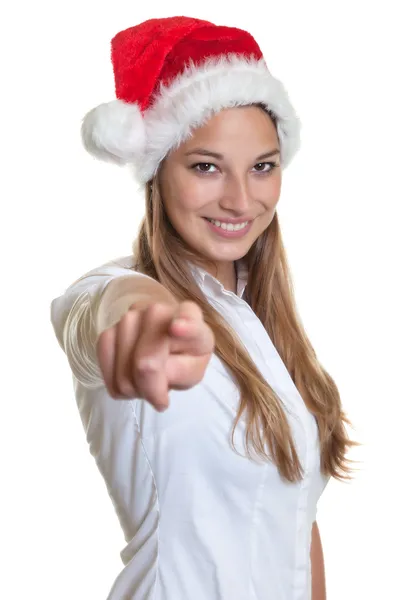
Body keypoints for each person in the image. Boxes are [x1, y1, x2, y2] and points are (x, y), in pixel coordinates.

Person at [50, 15, 357, 600]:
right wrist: (142, 316)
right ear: (158, 174)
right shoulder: (115, 288)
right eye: (206, 166)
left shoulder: (267, 326)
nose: (242, 199)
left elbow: (297, 525)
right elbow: (95, 315)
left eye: (262, 166)